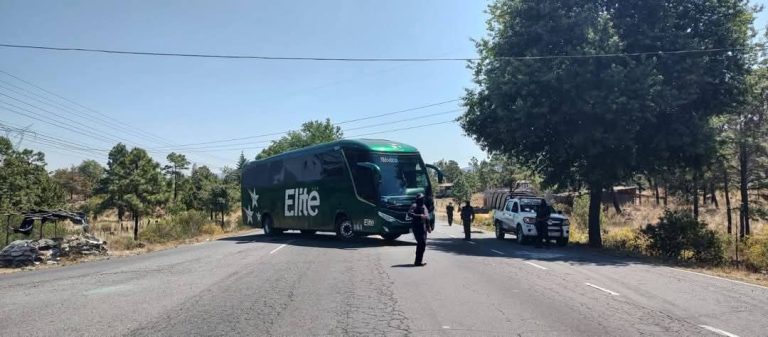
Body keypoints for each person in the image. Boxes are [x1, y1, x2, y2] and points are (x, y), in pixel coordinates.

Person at [408, 193, 431, 266]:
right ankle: (417, 261)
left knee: (423, 244)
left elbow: (426, 217)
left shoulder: (424, 206)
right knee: (421, 243)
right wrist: (419, 216)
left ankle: (419, 261)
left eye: (423, 198)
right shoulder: (414, 206)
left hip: (423, 227)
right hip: (416, 227)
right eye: (421, 199)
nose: (422, 200)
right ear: (418, 199)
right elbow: (409, 214)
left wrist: (428, 226)